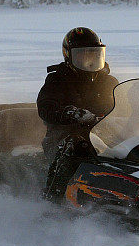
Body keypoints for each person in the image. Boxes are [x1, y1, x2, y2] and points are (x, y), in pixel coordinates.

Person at [37, 27, 118, 199]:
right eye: (83, 55)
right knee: (75, 145)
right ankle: (53, 199)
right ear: (69, 56)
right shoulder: (57, 80)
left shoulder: (108, 81)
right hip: (63, 137)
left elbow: (124, 98)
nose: (90, 59)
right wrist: (72, 113)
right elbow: (46, 107)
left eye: (95, 54)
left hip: (103, 134)